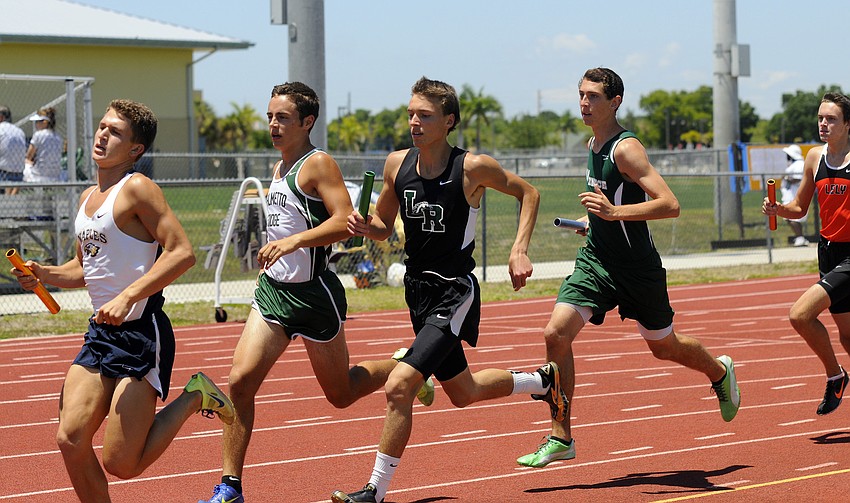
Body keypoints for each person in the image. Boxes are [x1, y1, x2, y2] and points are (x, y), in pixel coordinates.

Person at [198, 82, 434, 503]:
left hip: (313, 296)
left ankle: (404, 367)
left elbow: (345, 221)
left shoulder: (317, 163)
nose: (273, 124)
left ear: (307, 122)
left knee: (340, 394)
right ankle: (230, 486)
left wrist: (292, 243)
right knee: (239, 383)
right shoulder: (278, 166)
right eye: (270, 116)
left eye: (283, 117)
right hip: (273, 293)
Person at [333, 77, 561, 503]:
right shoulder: (396, 165)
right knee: (463, 392)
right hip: (417, 291)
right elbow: (383, 226)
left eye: (425, 115)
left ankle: (373, 492)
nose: (414, 122)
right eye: (411, 114)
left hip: (454, 291)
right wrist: (367, 228)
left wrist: (518, 249)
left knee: (400, 386)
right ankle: (542, 381)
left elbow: (529, 192)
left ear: (448, 120)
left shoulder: (471, 167)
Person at [515, 68, 740, 469]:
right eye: (581, 94)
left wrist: (614, 212)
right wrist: (595, 223)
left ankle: (718, 371)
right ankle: (561, 435)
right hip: (597, 261)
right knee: (555, 333)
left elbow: (670, 204)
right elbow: (608, 207)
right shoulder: (592, 142)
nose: (584, 103)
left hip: (638, 270)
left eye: (593, 97)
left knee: (663, 347)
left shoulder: (625, 149)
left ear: (615, 102)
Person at [10, 99, 234, 502]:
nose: (101, 135)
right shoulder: (85, 198)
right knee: (70, 438)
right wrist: (44, 274)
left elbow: (182, 252)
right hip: (100, 335)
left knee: (122, 464)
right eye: (101, 127)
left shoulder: (136, 188)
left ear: (135, 150)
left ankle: (196, 395)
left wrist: (130, 294)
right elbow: (83, 270)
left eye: (114, 132)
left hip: (141, 335)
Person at [762, 92, 850, 416]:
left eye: (831, 119)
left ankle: (835, 375)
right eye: (821, 118)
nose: (824, 124)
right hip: (827, 251)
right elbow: (799, 207)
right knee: (848, 336)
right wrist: (778, 208)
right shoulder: (815, 157)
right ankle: (839, 376)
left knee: (800, 315)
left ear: (848, 124)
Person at [24, 107, 64, 183]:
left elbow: (29, 156)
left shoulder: (38, 135)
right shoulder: (58, 137)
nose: (36, 124)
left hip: (39, 174)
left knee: (25, 163)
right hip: (56, 175)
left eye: (37, 121)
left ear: (45, 122)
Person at [781, 144, 809, 247]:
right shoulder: (793, 164)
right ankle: (800, 238)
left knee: (792, 218)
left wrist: (787, 178)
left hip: (794, 195)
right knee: (789, 217)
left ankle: (800, 238)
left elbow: (799, 178)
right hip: (789, 194)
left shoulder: (799, 164)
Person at [0, 105, 26, 194]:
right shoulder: (19, 131)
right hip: (18, 173)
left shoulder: (1, 129)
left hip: (3, 172)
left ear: (1, 117)